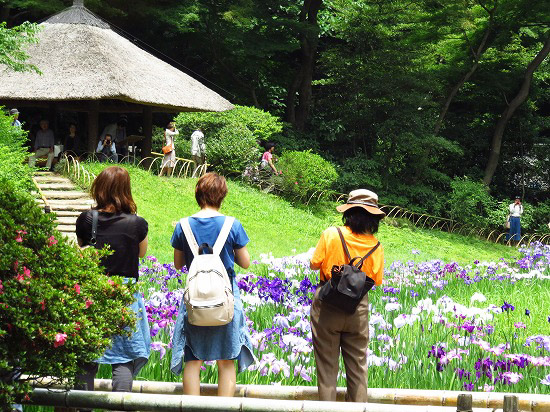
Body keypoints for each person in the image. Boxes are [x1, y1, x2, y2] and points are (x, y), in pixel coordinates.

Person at [170, 172, 254, 396]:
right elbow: (245, 263)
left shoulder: (183, 225)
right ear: (222, 195)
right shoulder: (232, 225)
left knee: (192, 359)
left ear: (198, 194)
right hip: (225, 298)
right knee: (226, 360)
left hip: (195, 299)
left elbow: (178, 264)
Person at [75, 166, 150, 393]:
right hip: (125, 294)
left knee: (88, 353)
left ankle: (82, 408)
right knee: (124, 356)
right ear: (125, 190)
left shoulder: (87, 219)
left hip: (93, 292)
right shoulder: (137, 223)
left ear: (100, 188)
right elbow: (142, 253)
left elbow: (81, 245)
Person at [309, 189, 385, 403]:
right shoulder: (376, 246)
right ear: (373, 217)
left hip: (327, 305)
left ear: (348, 212)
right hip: (357, 308)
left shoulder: (331, 234)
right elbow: (375, 280)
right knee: (358, 369)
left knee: (327, 371)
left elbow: (315, 264)